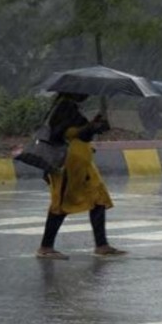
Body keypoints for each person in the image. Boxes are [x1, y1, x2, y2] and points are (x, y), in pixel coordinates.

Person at [36, 93, 125, 260]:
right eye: (81, 91)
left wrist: (95, 125)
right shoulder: (64, 107)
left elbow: (82, 133)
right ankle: (46, 247)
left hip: (83, 164)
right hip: (68, 164)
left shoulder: (72, 108)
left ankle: (102, 245)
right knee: (62, 203)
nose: (85, 94)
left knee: (98, 198)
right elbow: (62, 133)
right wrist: (90, 127)